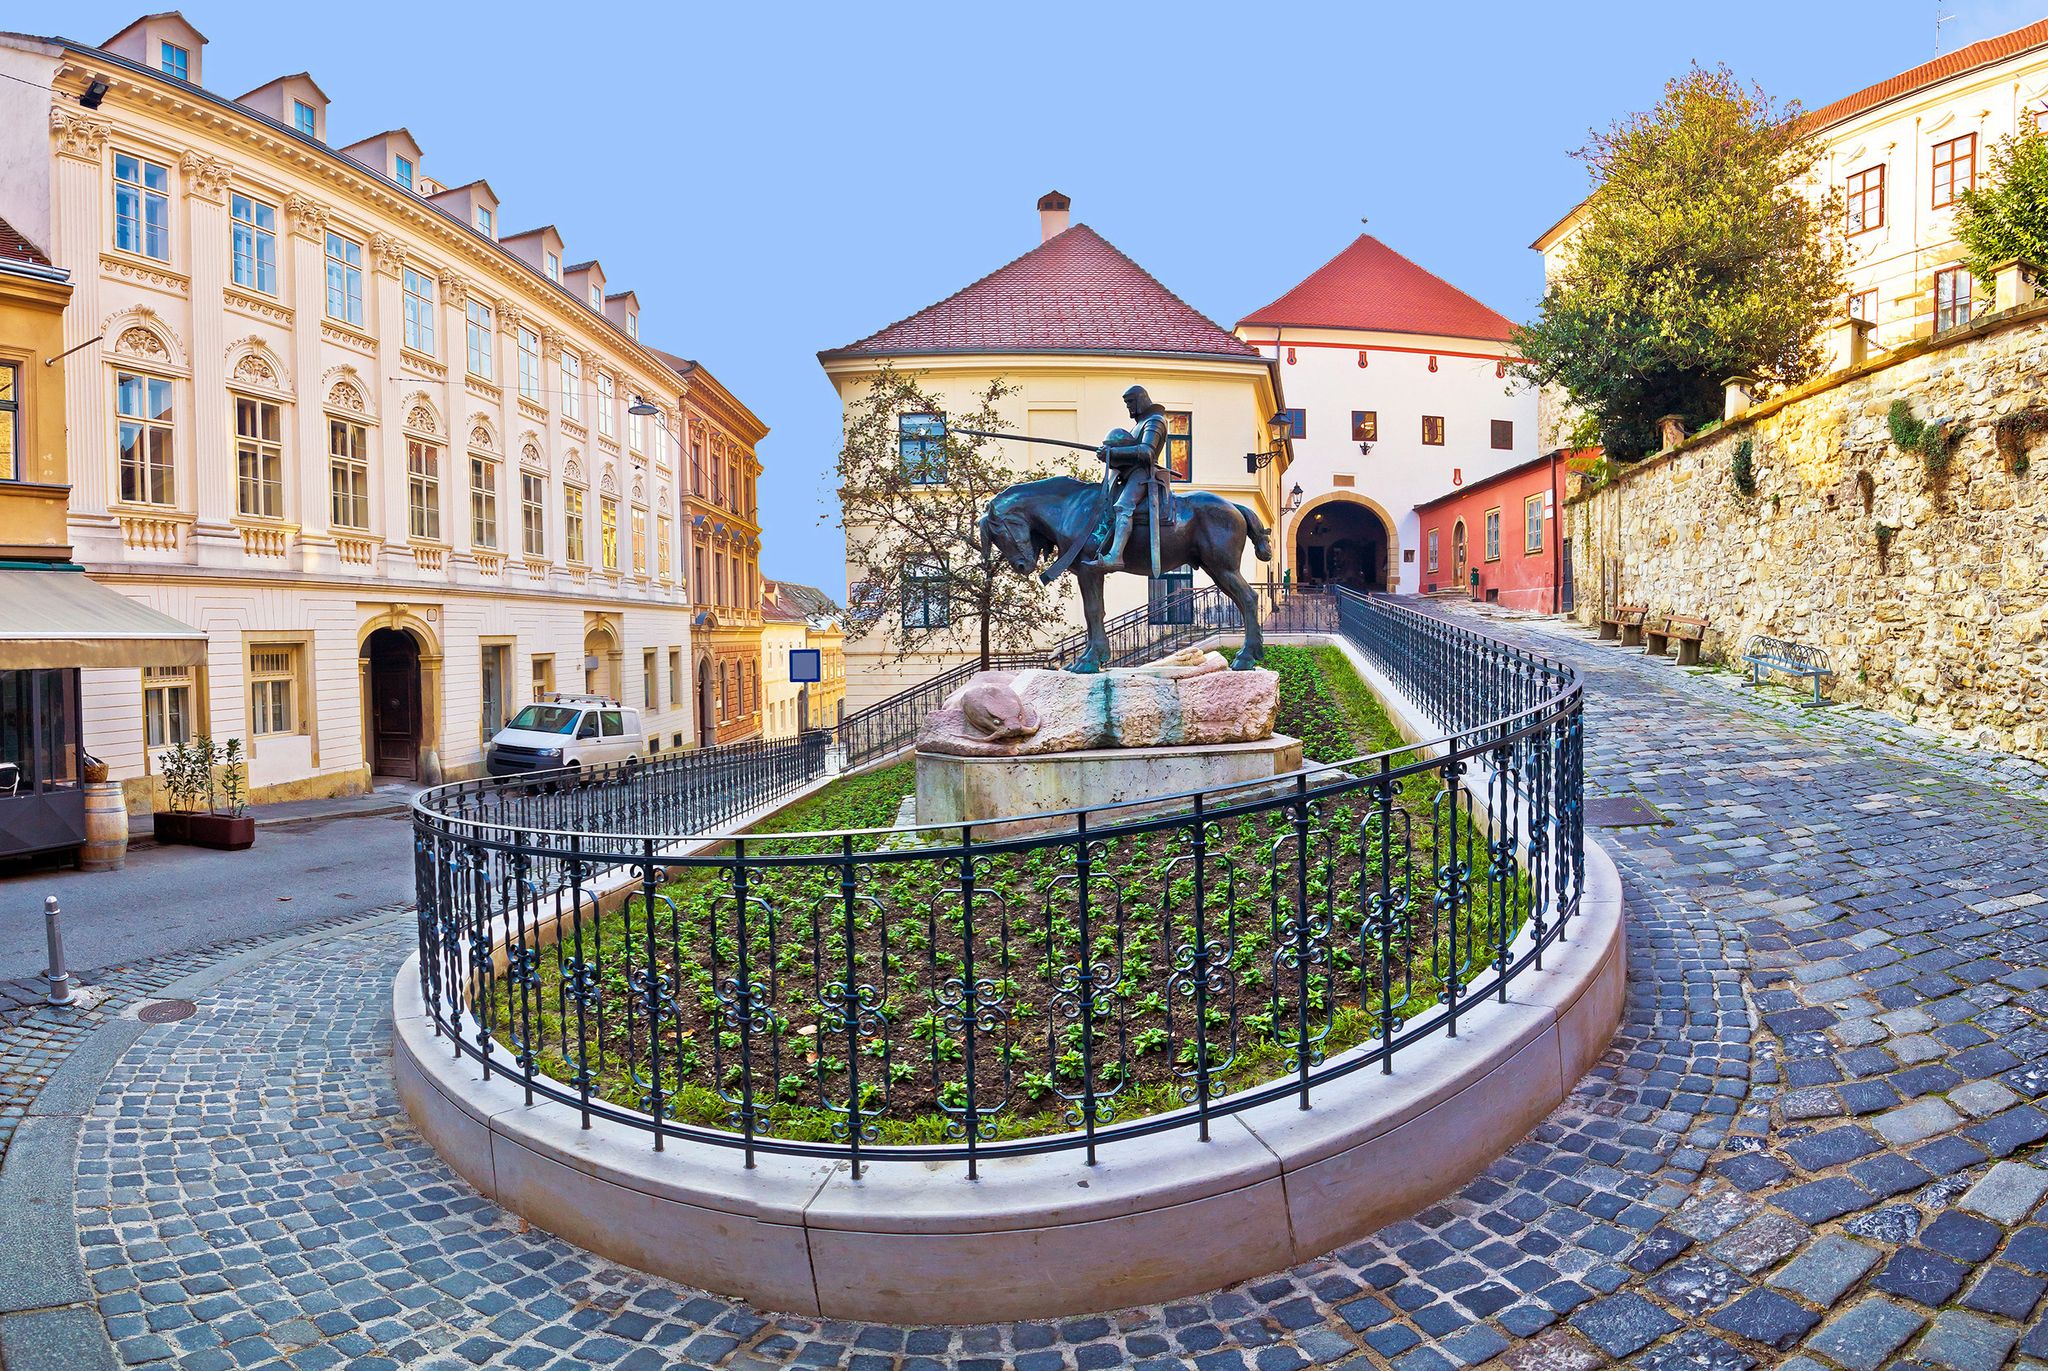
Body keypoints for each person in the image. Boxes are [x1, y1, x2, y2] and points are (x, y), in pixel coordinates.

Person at [1083, 385, 1168, 570]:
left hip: (1143, 475)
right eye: (1126, 403)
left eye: (1130, 402)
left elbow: (1147, 452)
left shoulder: (1155, 421)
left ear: (1141, 399)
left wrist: (1114, 452)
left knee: (1123, 506)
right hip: (1127, 474)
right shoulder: (1138, 425)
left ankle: (1116, 557)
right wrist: (1108, 455)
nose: (1128, 406)